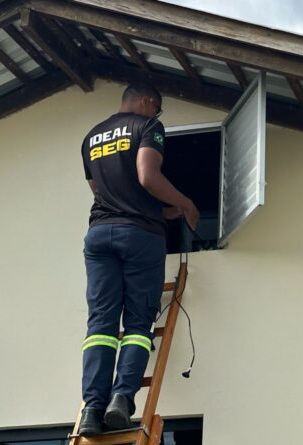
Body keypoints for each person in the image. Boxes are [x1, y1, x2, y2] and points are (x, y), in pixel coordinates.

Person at [78, 83, 199, 435]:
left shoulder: (91, 137)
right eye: (157, 108)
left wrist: (158, 211)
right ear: (146, 101)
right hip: (139, 237)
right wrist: (186, 204)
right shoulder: (147, 126)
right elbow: (147, 177)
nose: (157, 115)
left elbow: (102, 192)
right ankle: (121, 399)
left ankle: (92, 409)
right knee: (137, 323)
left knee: (101, 325)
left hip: (99, 234)